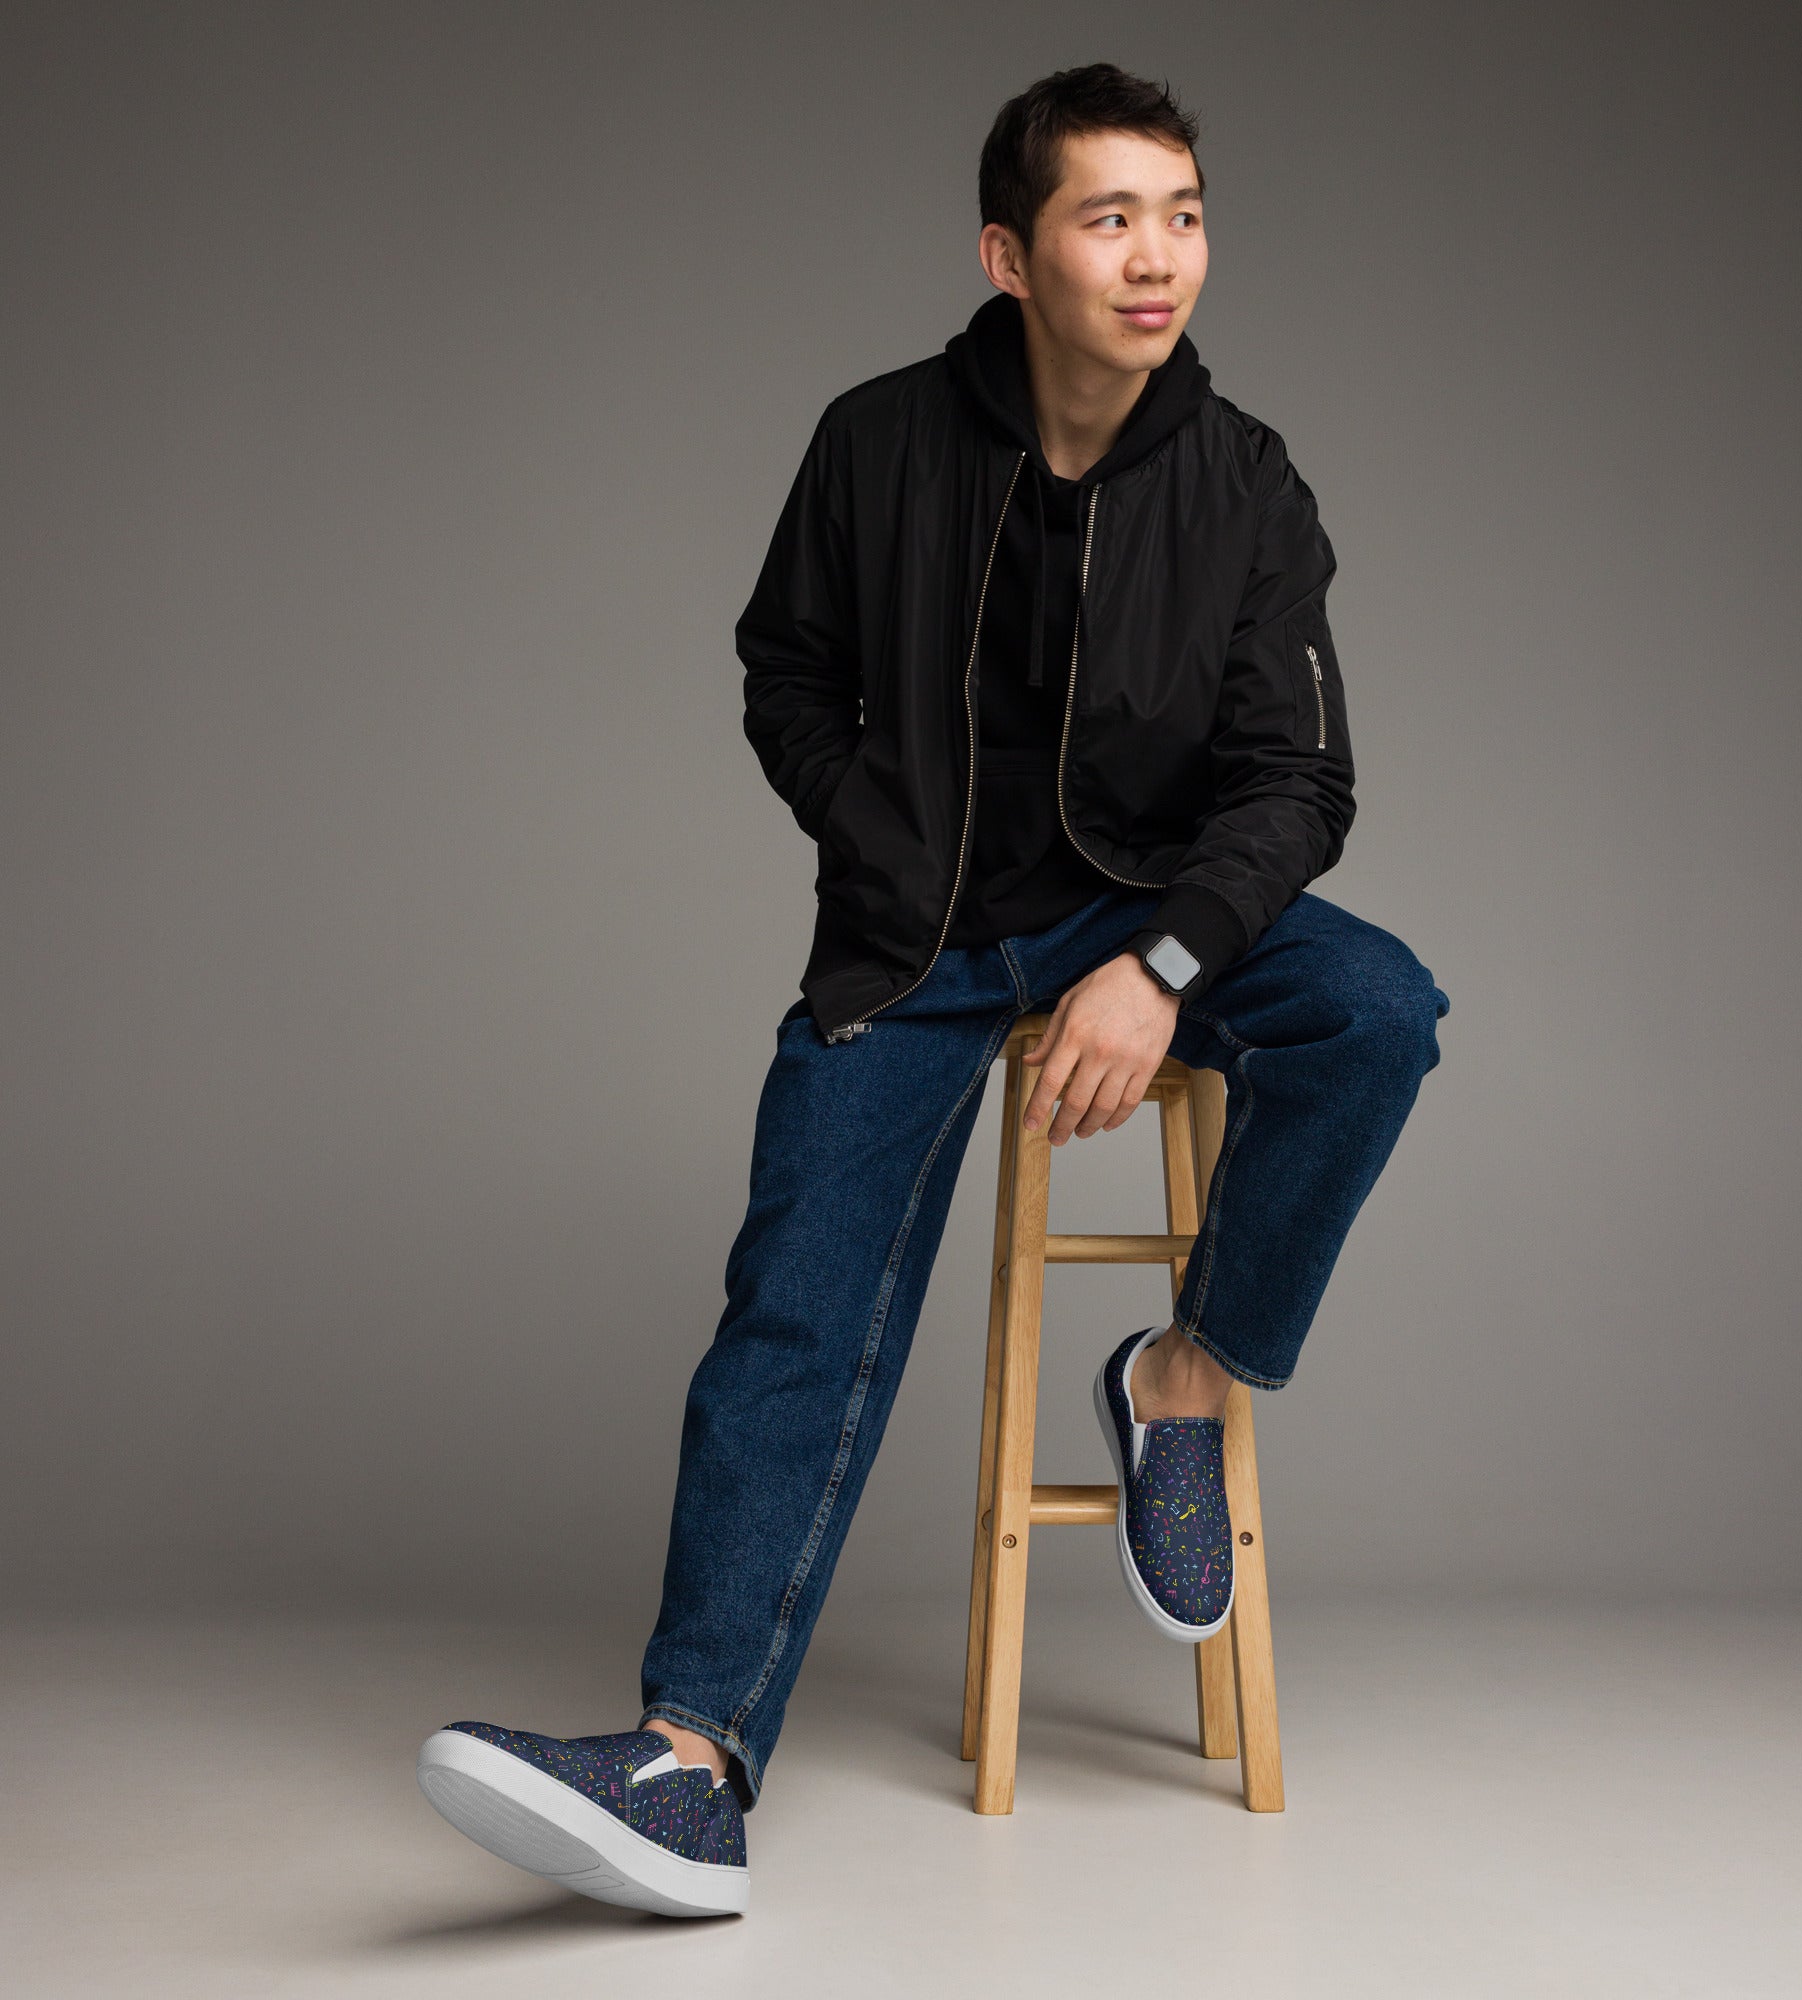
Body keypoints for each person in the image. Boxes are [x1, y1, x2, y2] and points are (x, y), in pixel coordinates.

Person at [416, 61, 1450, 1920]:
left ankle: (1182, 1379)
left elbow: (1301, 784)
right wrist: (876, 835)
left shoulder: (1246, 483)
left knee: (1376, 1011)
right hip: (921, 938)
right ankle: (687, 1767)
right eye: (1110, 218)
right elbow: (784, 667)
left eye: (1184, 216)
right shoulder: (876, 440)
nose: (1158, 257)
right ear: (1009, 254)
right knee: (794, 1304)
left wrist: (1163, 965)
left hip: (1152, 910)